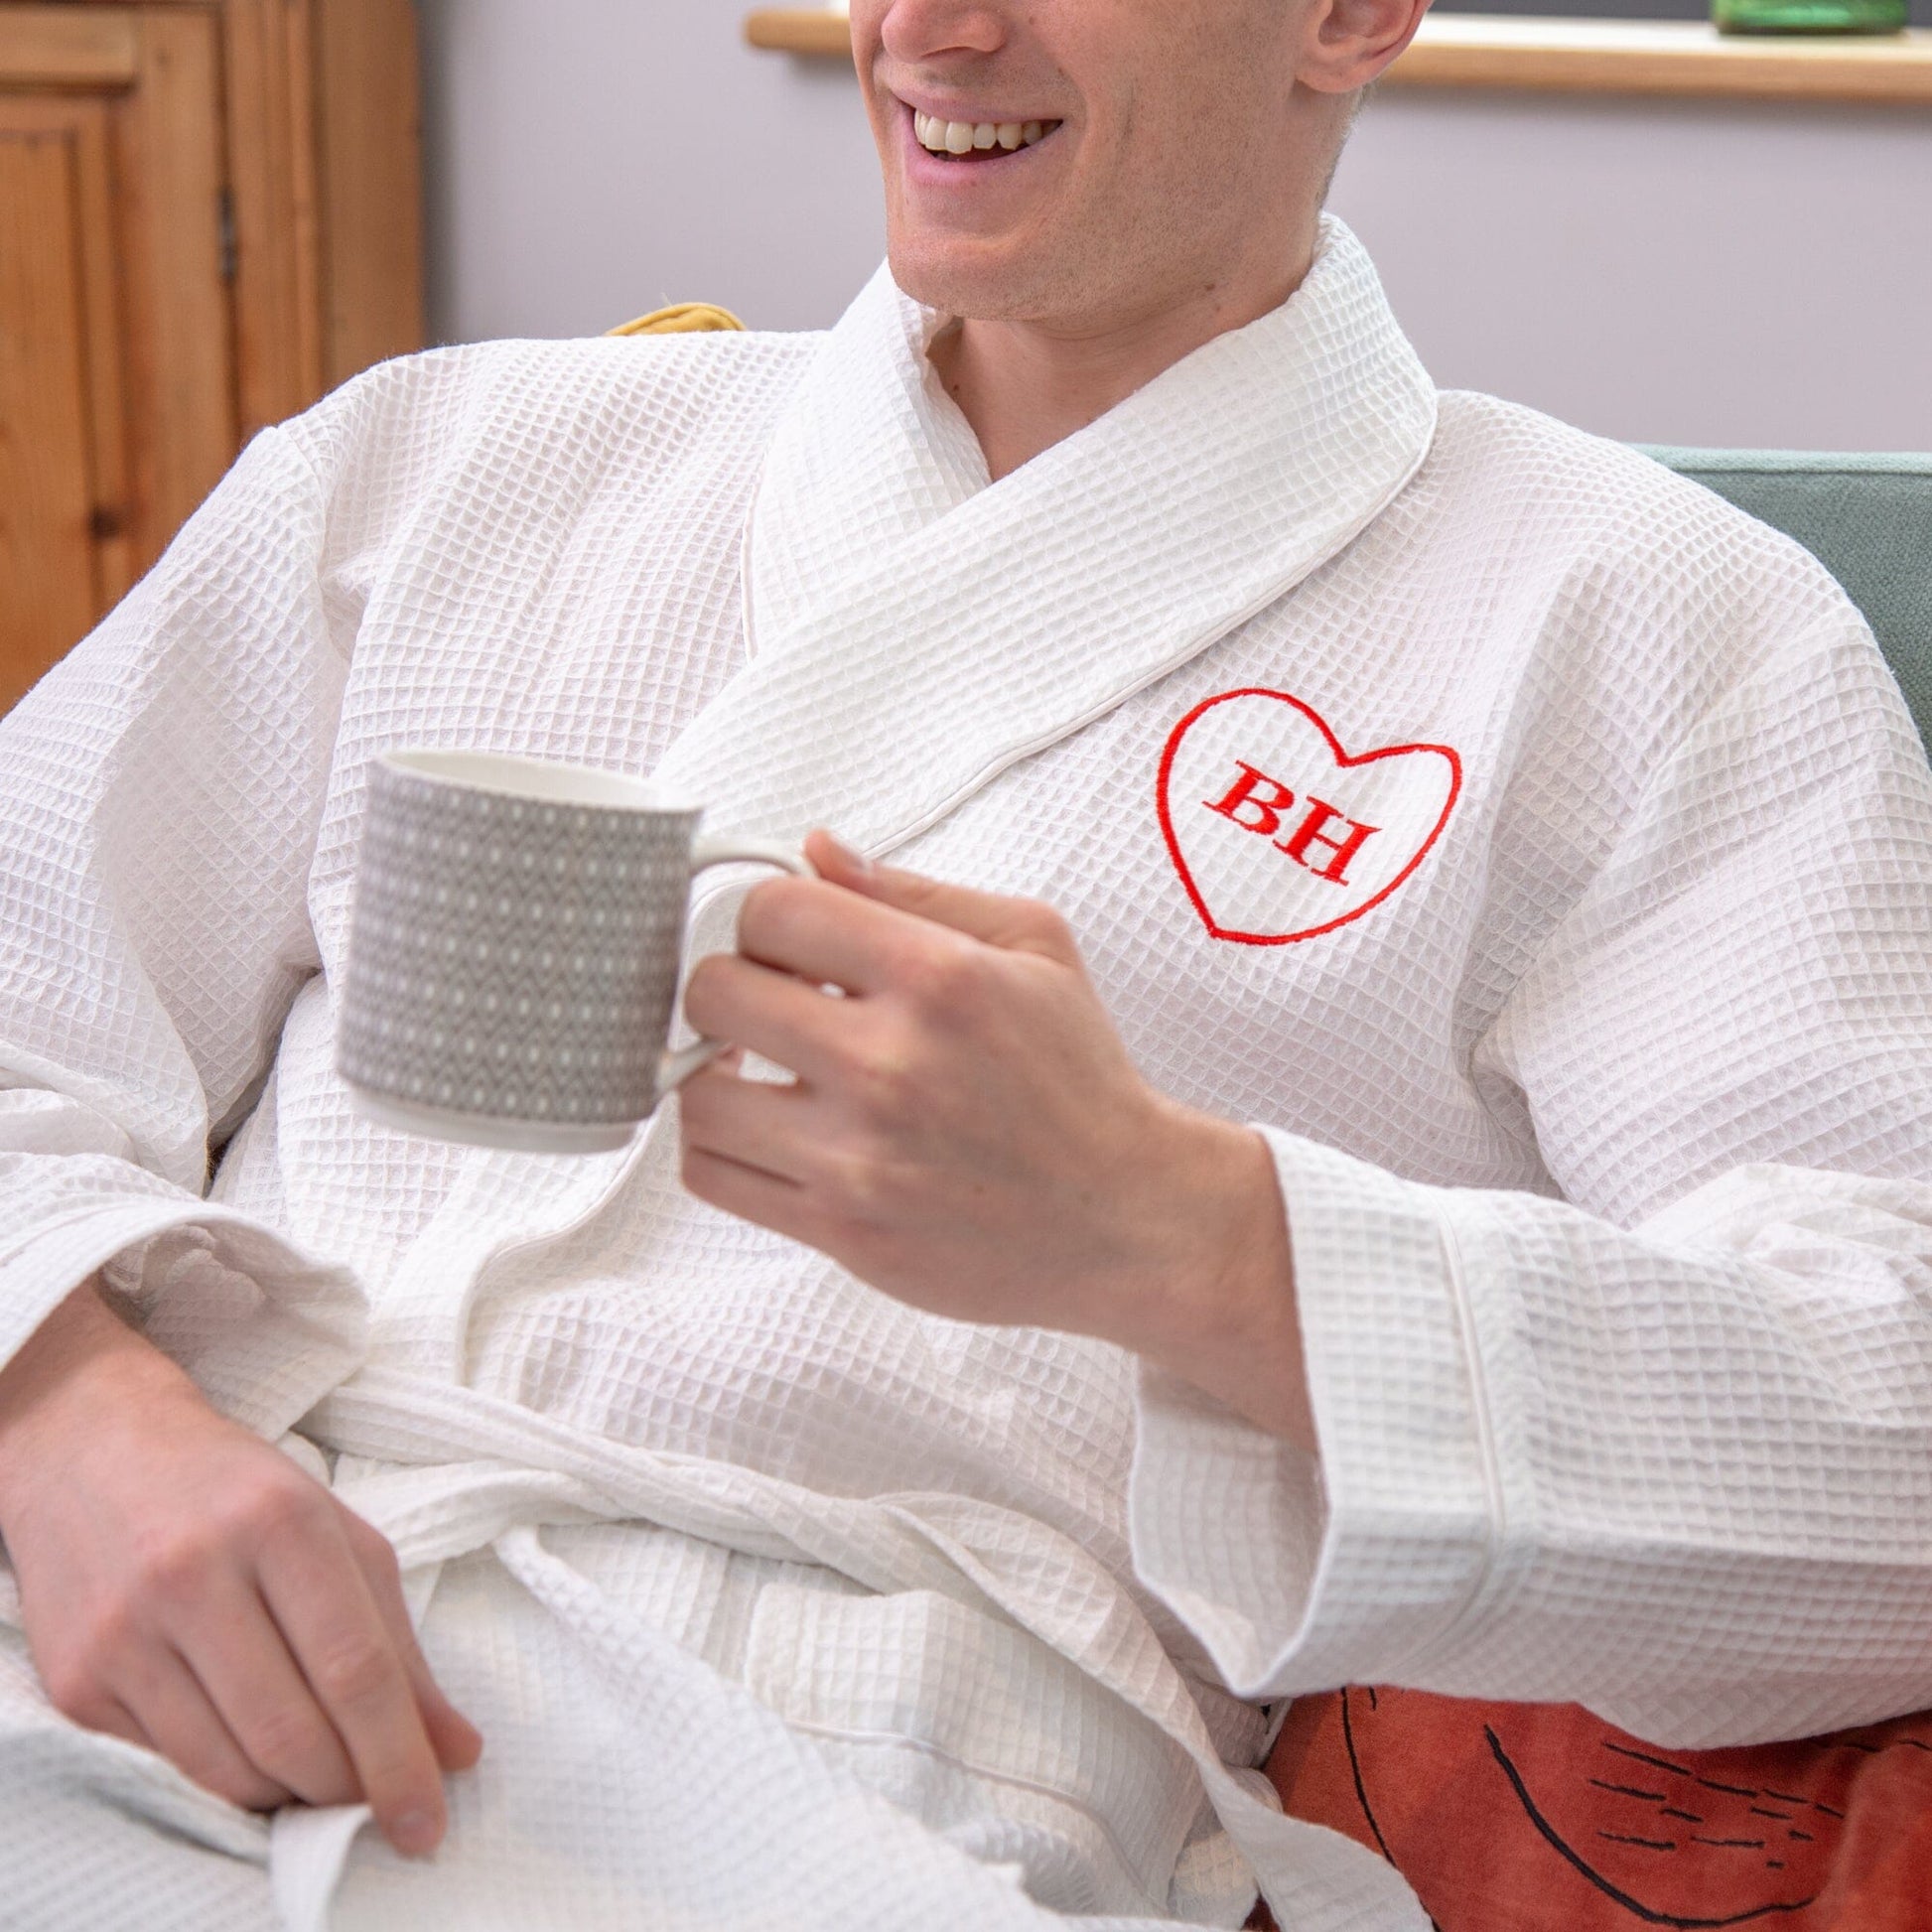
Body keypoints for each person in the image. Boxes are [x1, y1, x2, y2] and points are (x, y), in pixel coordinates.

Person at [0, 0, 1927, 1921]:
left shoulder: (1638, 630)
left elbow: (1894, 1424)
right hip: (123, 1661)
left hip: (855, 1802)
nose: (923, 22)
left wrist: (1186, 1233)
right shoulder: (450, 468)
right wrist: (67, 1411)